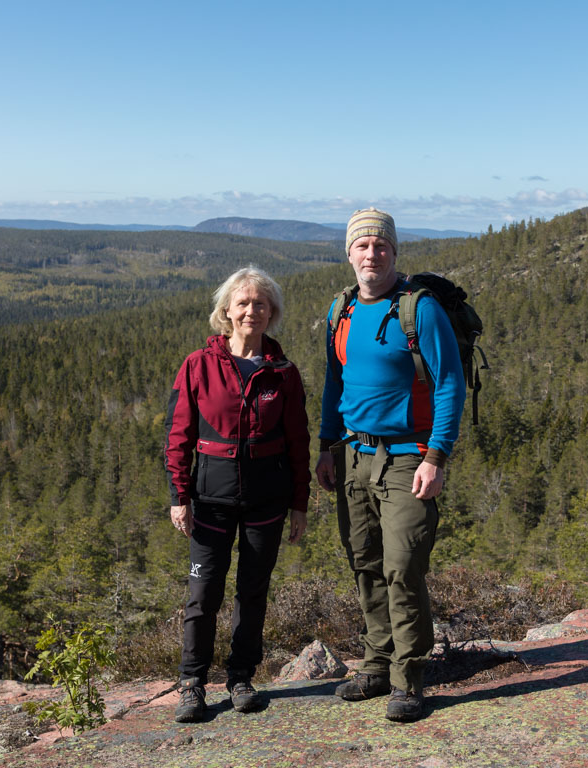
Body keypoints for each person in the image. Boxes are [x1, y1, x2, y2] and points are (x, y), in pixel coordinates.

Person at [315, 208, 465, 722]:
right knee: (365, 563)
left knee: (403, 567)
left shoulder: (419, 310)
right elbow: (334, 383)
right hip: (353, 455)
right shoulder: (342, 310)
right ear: (350, 254)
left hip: (409, 459)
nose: (371, 254)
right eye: (362, 246)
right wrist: (325, 447)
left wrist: (436, 456)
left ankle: (409, 677)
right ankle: (376, 664)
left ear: (395, 253)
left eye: (381, 246)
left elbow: (449, 385)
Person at [164, 266, 311, 723]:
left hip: (267, 498)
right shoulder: (198, 365)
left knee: (253, 590)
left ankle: (241, 677)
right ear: (226, 311)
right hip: (210, 498)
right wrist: (179, 494)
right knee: (203, 592)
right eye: (243, 303)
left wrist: (300, 503)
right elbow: (178, 435)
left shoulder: (283, 372)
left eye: (260, 304)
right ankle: (192, 684)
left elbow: (299, 440)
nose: (251, 311)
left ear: (272, 313)